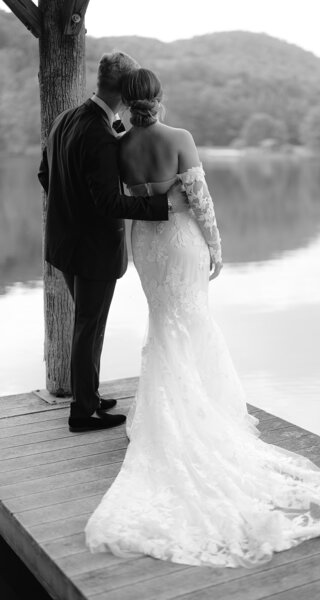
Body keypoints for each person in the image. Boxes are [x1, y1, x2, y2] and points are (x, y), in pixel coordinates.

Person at [85, 68, 320, 568]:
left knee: (164, 323)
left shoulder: (119, 145)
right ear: (159, 98)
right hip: (180, 239)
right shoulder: (180, 137)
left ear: (126, 100)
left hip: (145, 242)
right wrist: (215, 247)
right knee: (191, 322)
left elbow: (124, 199)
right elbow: (200, 201)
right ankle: (200, 410)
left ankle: (173, 409)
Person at [38, 53, 186, 433]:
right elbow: (107, 202)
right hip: (92, 249)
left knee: (89, 324)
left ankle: (89, 394)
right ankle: (82, 412)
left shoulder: (65, 119)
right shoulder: (101, 136)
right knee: (89, 326)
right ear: (124, 89)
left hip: (63, 244)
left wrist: (70, 208)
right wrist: (163, 204)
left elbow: (45, 174)